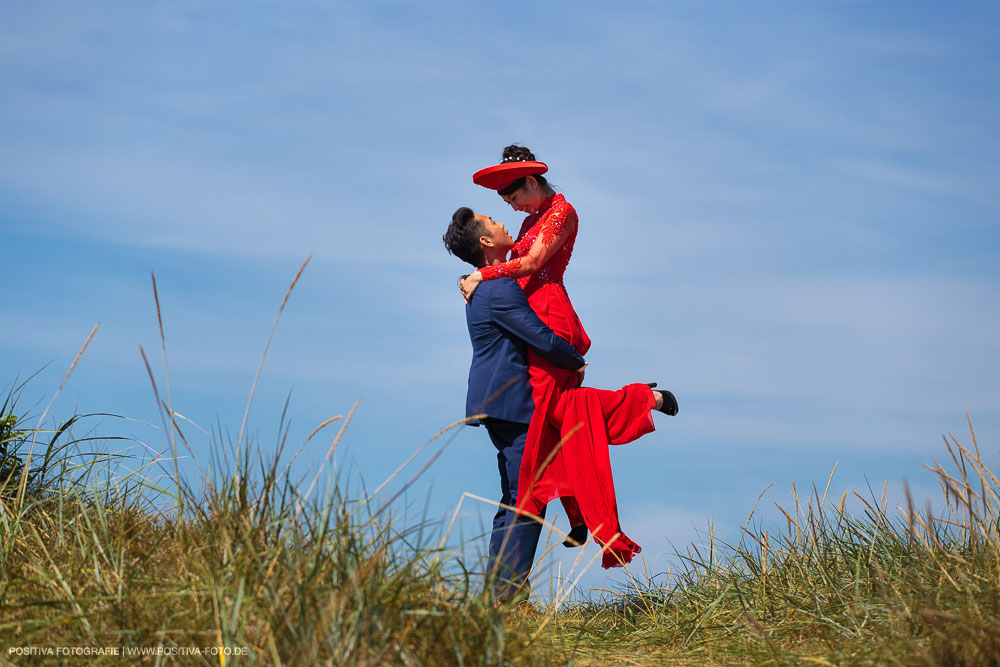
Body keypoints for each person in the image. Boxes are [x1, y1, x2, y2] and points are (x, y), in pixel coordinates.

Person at [461, 145, 679, 568]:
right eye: (503, 202)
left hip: (547, 313)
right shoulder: (530, 219)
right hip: (530, 310)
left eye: (511, 195)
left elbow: (536, 261)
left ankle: (632, 411)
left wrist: (482, 273)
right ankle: (581, 501)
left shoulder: (563, 211)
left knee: (547, 414)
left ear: (530, 182)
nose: (509, 204)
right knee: (556, 416)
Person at [443, 207, 587, 602]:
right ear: (486, 243)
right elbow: (539, 337)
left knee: (515, 495)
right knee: (528, 498)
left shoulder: (485, 283)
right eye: (494, 222)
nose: (504, 223)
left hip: (499, 401)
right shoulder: (500, 288)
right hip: (511, 402)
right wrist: (577, 361)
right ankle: (507, 598)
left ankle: (498, 593)